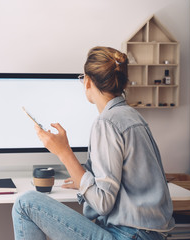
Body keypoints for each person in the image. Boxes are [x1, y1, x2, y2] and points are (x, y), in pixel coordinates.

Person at [12, 46, 175, 240]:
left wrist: (64, 152)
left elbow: (103, 203)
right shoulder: (132, 116)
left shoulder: (106, 122)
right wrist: (83, 179)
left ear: (87, 81)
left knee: (25, 203)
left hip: (128, 236)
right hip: (149, 235)